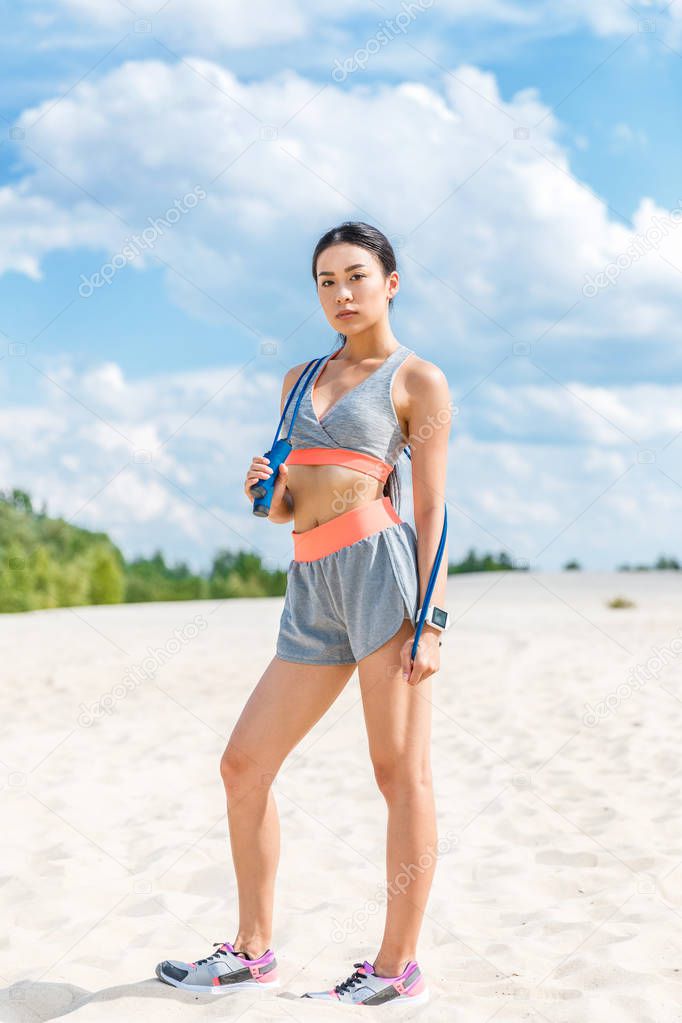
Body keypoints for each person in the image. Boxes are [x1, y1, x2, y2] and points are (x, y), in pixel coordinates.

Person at [155, 221, 451, 1007]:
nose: (341, 293)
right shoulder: (296, 379)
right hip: (310, 584)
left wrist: (433, 619)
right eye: (326, 281)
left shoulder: (416, 378)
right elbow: (287, 509)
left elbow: (433, 510)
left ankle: (397, 968)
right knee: (243, 763)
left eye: (356, 276)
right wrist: (264, 490)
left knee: (399, 772)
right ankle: (253, 951)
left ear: (390, 282)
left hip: (383, 579)